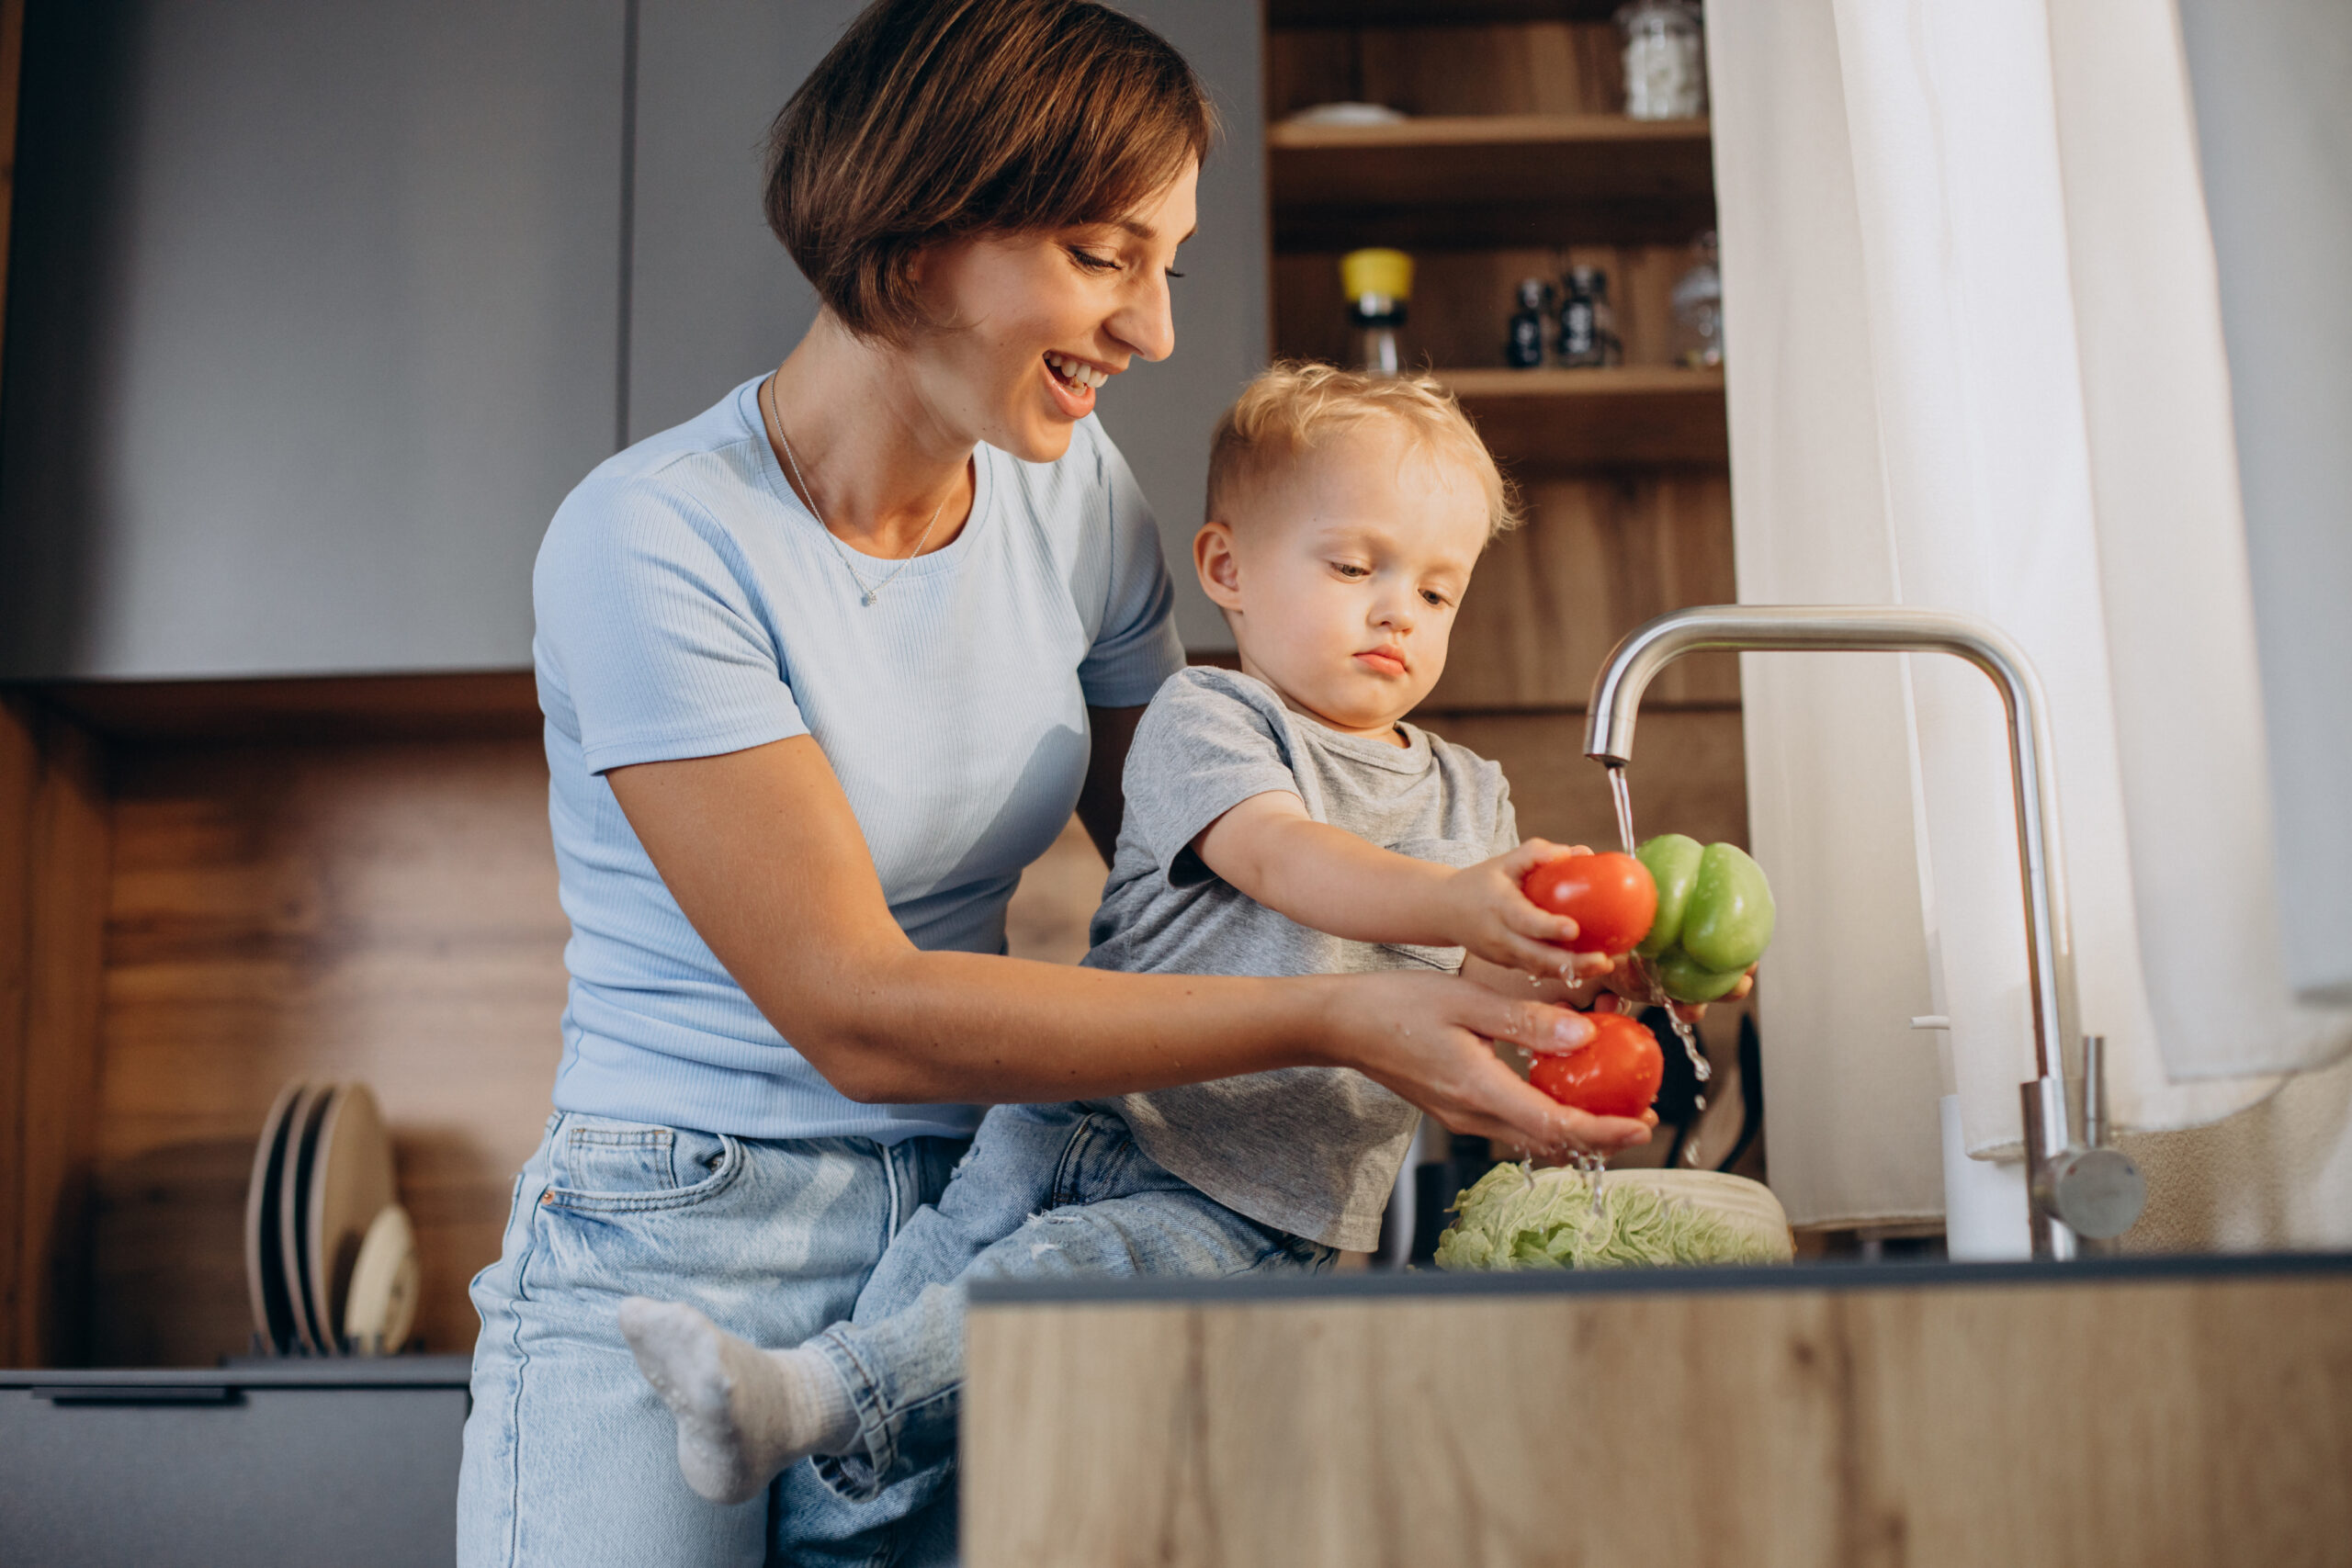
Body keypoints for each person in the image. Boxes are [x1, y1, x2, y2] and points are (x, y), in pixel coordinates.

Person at [456, 6, 1637, 1565]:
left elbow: (1231, 856)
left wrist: (1533, 952)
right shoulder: (654, 542)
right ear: (920, 227)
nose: (1152, 331)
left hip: (1000, 1220)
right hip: (682, 1234)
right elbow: (857, 1009)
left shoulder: (1072, 495)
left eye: (1171, 265)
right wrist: (1346, 1014)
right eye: (1103, 254)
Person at [617, 364, 1710, 1532]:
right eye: (1356, 567)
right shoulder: (1209, 719)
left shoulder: (1468, 793)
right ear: (1226, 570)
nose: (1399, 611)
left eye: (1439, 593)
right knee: (920, 1315)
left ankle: (806, 1397)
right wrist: (1462, 899)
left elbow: (1490, 985)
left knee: (1031, 1307)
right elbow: (1282, 859)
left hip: (1253, 1203)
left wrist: (1598, 964)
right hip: (1068, 1123)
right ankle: (820, 1490)